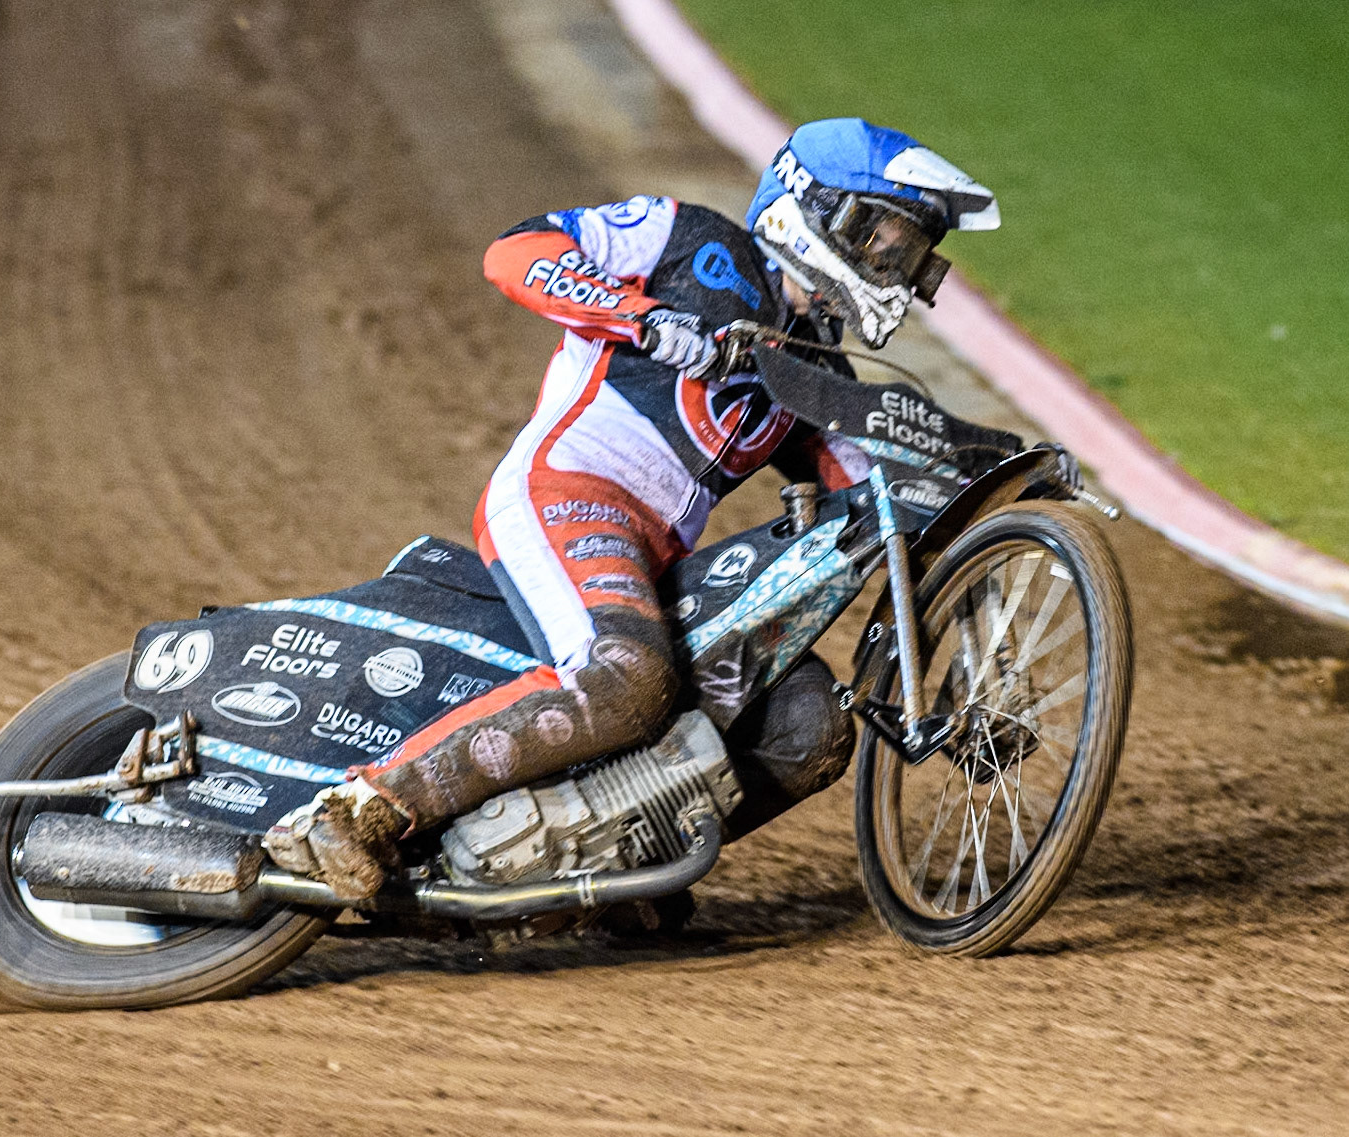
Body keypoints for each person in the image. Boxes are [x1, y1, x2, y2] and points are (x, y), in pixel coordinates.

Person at [265, 118, 1001, 898]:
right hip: (566, 491)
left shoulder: (816, 366)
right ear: (815, 209)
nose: (891, 263)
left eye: (908, 251)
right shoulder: (688, 236)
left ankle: (621, 867)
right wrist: (644, 316)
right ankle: (358, 808)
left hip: (660, 560)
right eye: (882, 237)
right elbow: (515, 252)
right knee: (627, 676)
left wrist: (965, 664)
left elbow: (879, 500)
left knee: (806, 721)